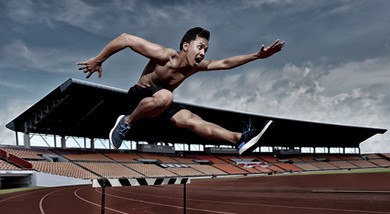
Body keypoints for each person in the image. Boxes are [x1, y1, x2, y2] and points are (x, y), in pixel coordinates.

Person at [77, 27, 284, 155]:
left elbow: (226, 63)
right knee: (166, 96)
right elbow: (125, 39)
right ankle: (126, 122)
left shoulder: (196, 66)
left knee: (192, 120)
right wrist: (98, 59)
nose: (202, 53)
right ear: (186, 45)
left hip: (161, 105)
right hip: (139, 97)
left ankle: (238, 140)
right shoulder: (164, 55)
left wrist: (257, 56)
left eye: (206, 50)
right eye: (200, 47)